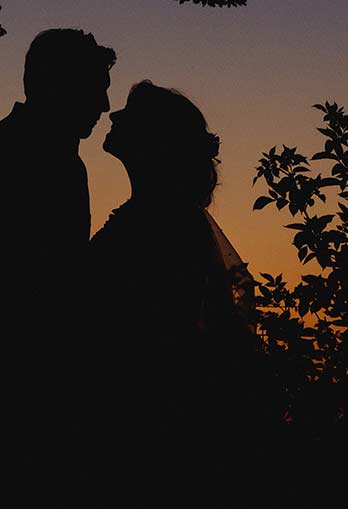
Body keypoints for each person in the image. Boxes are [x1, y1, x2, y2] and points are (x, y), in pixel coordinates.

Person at [0, 27, 115, 433]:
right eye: (96, 89)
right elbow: (38, 273)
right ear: (55, 86)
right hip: (25, 364)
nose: (104, 105)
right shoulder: (18, 154)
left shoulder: (49, 153)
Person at [87, 80, 257, 437]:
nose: (113, 114)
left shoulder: (165, 221)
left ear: (155, 139)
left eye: (129, 114)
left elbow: (161, 331)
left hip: (145, 415)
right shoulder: (155, 214)